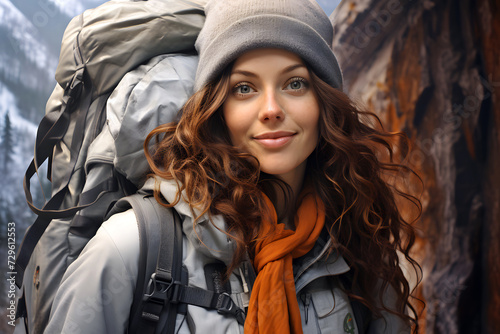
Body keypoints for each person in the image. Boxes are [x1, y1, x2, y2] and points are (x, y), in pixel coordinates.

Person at [45, 0, 422, 333]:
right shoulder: (131, 247)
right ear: (216, 109)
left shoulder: (356, 248)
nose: (271, 108)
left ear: (325, 102)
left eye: (295, 83)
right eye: (244, 88)